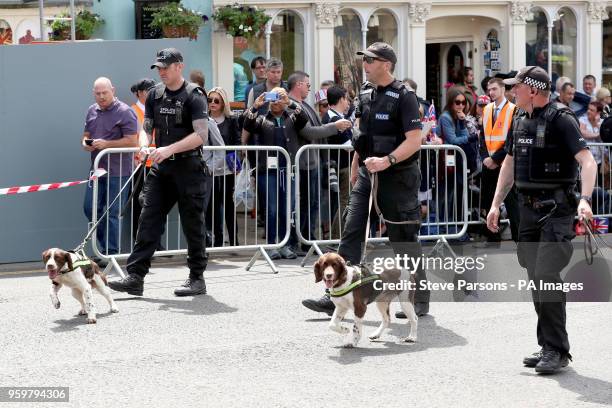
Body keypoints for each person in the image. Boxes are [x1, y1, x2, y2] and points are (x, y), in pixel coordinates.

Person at [302, 42, 430, 317]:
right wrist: (356, 164)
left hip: (397, 175)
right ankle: (336, 293)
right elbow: (361, 135)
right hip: (366, 174)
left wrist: (387, 160)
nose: (365, 64)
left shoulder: (405, 96)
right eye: (364, 59)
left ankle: (419, 296)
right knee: (352, 231)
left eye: (370, 60)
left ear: (386, 64)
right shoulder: (365, 94)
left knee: (403, 238)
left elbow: (414, 140)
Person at [487, 66, 596, 374]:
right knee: (536, 275)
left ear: (532, 90)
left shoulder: (562, 120)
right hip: (527, 212)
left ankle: (557, 350)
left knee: (546, 274)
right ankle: (548, 343)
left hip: (556, 210)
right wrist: (496, 204)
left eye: (516, 87)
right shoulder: (519, 120)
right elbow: (509, 162)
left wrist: (585, 200)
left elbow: (587, 160)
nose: (511, 92)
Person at [109, 48, 212, 297]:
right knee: (148, 218)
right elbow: (147, 128)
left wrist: (168, 150)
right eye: (159, 68)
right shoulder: (154, 94)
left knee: (192, 225)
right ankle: (135, 276)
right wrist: (145, 145)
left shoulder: (194, 95)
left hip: (188, 167)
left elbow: (201, 135)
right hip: (162, 168)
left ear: (179, 66)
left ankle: (196, 278)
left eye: (166, 67)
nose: (162, 72)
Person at [288, 71, 352, 251]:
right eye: (307, 84)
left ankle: (309, 240)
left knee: (312, 203)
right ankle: (300, 241)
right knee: (303, 204)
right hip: (302, 163)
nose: (310, 87)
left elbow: (316, 132)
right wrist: (334, 127)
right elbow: (309, 132)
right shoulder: (293, 106)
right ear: (298, 84)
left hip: (313, 162)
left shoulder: (305, 105)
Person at [242, 88, 309, 260]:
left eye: (280, 97)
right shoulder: (262, 119)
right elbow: (247, 125)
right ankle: (272, 244)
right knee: (271, 209)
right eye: (273, 98)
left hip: (289, 170)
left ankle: (285, 244)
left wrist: (291, 103)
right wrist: (256, 106)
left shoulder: (291, 117)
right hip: (268, 172)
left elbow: (304, 118)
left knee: (288, 209)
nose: (276, 101)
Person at [82, 77, 138, 258]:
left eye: (104, 92)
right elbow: (85, 137)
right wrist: (86, 144)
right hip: (97, 170)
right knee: (90, 209)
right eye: (97, 93)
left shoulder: (125, 112)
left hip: (119, 171)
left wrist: (106, 144)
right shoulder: (92, 110)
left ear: (112, 90)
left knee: (112, 212)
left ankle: (110, 252)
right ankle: (103, 249)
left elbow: (133, 142)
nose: (101, 97)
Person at [478, 78, 520, 245]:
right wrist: (485, 158)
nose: (491, 92)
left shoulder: (513, 110)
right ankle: (492, 236)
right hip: (489, 163)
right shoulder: (487, 109)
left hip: (505, 163)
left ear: (503, 89)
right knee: (489, 200)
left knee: (511, 202)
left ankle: (519, 238)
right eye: (490, 89)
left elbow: (512, 138)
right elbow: (482, 137)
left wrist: (495, 159)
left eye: (495, 89)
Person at [437, 87, 479, 236]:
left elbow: (462, 135)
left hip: (457, 163)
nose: (461, 106)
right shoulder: (446, 117)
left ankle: (455, 228)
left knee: (457, 194)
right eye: (457, 102)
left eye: (463, 102)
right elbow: (453, 140)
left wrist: (462, 123)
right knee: (447, 195)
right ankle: (444, 228)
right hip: (446, 163)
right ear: (450, 103)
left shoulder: (458, 117)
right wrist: (470, 137)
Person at [205, 86, 241, 247]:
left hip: (226, 169)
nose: (212, 103)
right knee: (212, 205)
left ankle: (234, 240)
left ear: (223, 103)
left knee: (227, 204)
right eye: (209, 100)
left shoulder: (231, 120)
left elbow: (237, 142)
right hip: (210, 169)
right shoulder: (204, 120)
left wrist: (236, 160)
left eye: (216, 100)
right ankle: (216, 240)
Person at [322, 85, 353, 238]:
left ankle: (338, 236)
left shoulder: (333, 117)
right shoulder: (335, 119)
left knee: (342, 202)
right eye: (347, 99)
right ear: (341, 99)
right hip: (342, 166)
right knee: (344, 202)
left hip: (340, 166)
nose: (348, 102)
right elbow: (349, 146)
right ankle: (336, 236)